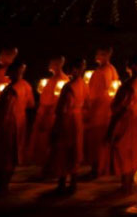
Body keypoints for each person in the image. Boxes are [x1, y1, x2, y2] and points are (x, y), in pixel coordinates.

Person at [101, 54, 137, 194]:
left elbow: (118, 107)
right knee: (135, 149)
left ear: (132, 66)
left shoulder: (129, 85)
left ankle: (126, 183)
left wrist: (111, 128)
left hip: (127, 120)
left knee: (124, 150)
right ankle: (130, 182)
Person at [0, 61, 31, 196]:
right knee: (10, 156)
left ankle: (2, 187)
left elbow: (5, 110)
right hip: (18, 124)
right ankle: (3, 186)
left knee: (5, 156)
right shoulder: (25, 86)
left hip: (7, 126)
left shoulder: (12, 89)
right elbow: (31, 104)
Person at [47, 58, 88, 195]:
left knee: (63, 150)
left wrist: (56, 125)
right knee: (74, 149)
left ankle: (62, 183)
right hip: (77, 119)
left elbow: (63, 108)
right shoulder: (83, 84)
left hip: (67, 120)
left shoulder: (69, 86)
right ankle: (73, 183)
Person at [26, 55, 69, 170]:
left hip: (51, 114)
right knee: (42, 141)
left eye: (52, 63)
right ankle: (44, 165)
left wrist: (48, 113)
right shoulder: (51, 79)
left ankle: (50, 166)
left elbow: (58, 100)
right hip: (44, 112)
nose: (49, 65)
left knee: (49, 140)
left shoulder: (62, 80)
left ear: (59, 64)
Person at [84, 46, 119, 179]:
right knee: (96, 139)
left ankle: (99, 167)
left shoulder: (108, 70)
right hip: (97, 107)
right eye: (98, 54)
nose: (98, 57)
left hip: (102, 108)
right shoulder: (101, 70)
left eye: (101, 54)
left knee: (99, 139)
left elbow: (112, 88)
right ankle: (98, 166)